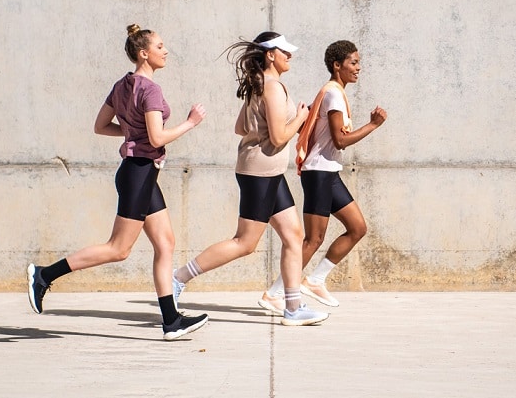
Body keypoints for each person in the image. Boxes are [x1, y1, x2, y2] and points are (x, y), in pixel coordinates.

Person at [27, 24, 209, 341]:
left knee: (165, 243)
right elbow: (157, 137)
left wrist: (132, 135)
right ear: (144, 53)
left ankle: (171, 321)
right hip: (139, 174)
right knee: (118, 249)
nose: (166, 51)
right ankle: (44, 275)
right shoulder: (150, 90)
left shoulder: (123, 85)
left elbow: (101, 126)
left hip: (140, 172)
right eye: (160, 46)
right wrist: (190, 123)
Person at [172, 32, 328, 326]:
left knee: (294, 236)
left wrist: (262, 125)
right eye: (285, 51)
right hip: (261, 173)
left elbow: (240, 127)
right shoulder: (271, 87)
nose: (290, 55)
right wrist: (301, 117)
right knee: (244, 242)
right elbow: (280, 136)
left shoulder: (261, 85)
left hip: (267, 171)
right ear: (270, 55)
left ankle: (292, 307)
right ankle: (178, 278)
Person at [258, 40, 387, 312]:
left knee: (357, 228)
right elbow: (340, 140)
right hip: (319, 173)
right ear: (337, 65)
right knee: (312, 240)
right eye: (353, 62)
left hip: (329, 172)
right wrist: (373, 125)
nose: (358, 67)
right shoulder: (333, 94)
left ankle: (315, 280)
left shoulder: (333, 92)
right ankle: (274, 293)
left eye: (358, 62)